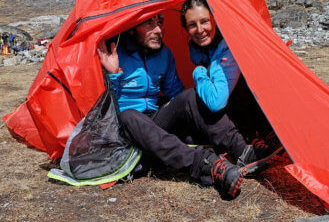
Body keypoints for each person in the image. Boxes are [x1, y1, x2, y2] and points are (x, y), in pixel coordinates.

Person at [97, 13, 248, 198]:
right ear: (132, 27)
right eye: (149, 25)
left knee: (190, 96)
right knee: (129, 115)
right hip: (124, 128)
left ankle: (242, 149)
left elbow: (176, 94)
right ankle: (207, 165)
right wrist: (113, 73)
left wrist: (195, 114)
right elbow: (104, 107)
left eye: (160, 22)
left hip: (153, 120)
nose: (158, 30)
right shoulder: (113, 54)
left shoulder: (164, 54)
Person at [180, 0, 283, 170]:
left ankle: (255, 139)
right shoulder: (195, 45)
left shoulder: (227, 45)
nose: (199, 29)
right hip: (234, 109)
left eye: (204, 21)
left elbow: (216, 102)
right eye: (192, 25)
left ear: (214, 19)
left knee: (208, 97)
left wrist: (198, 72)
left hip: (258, 112)